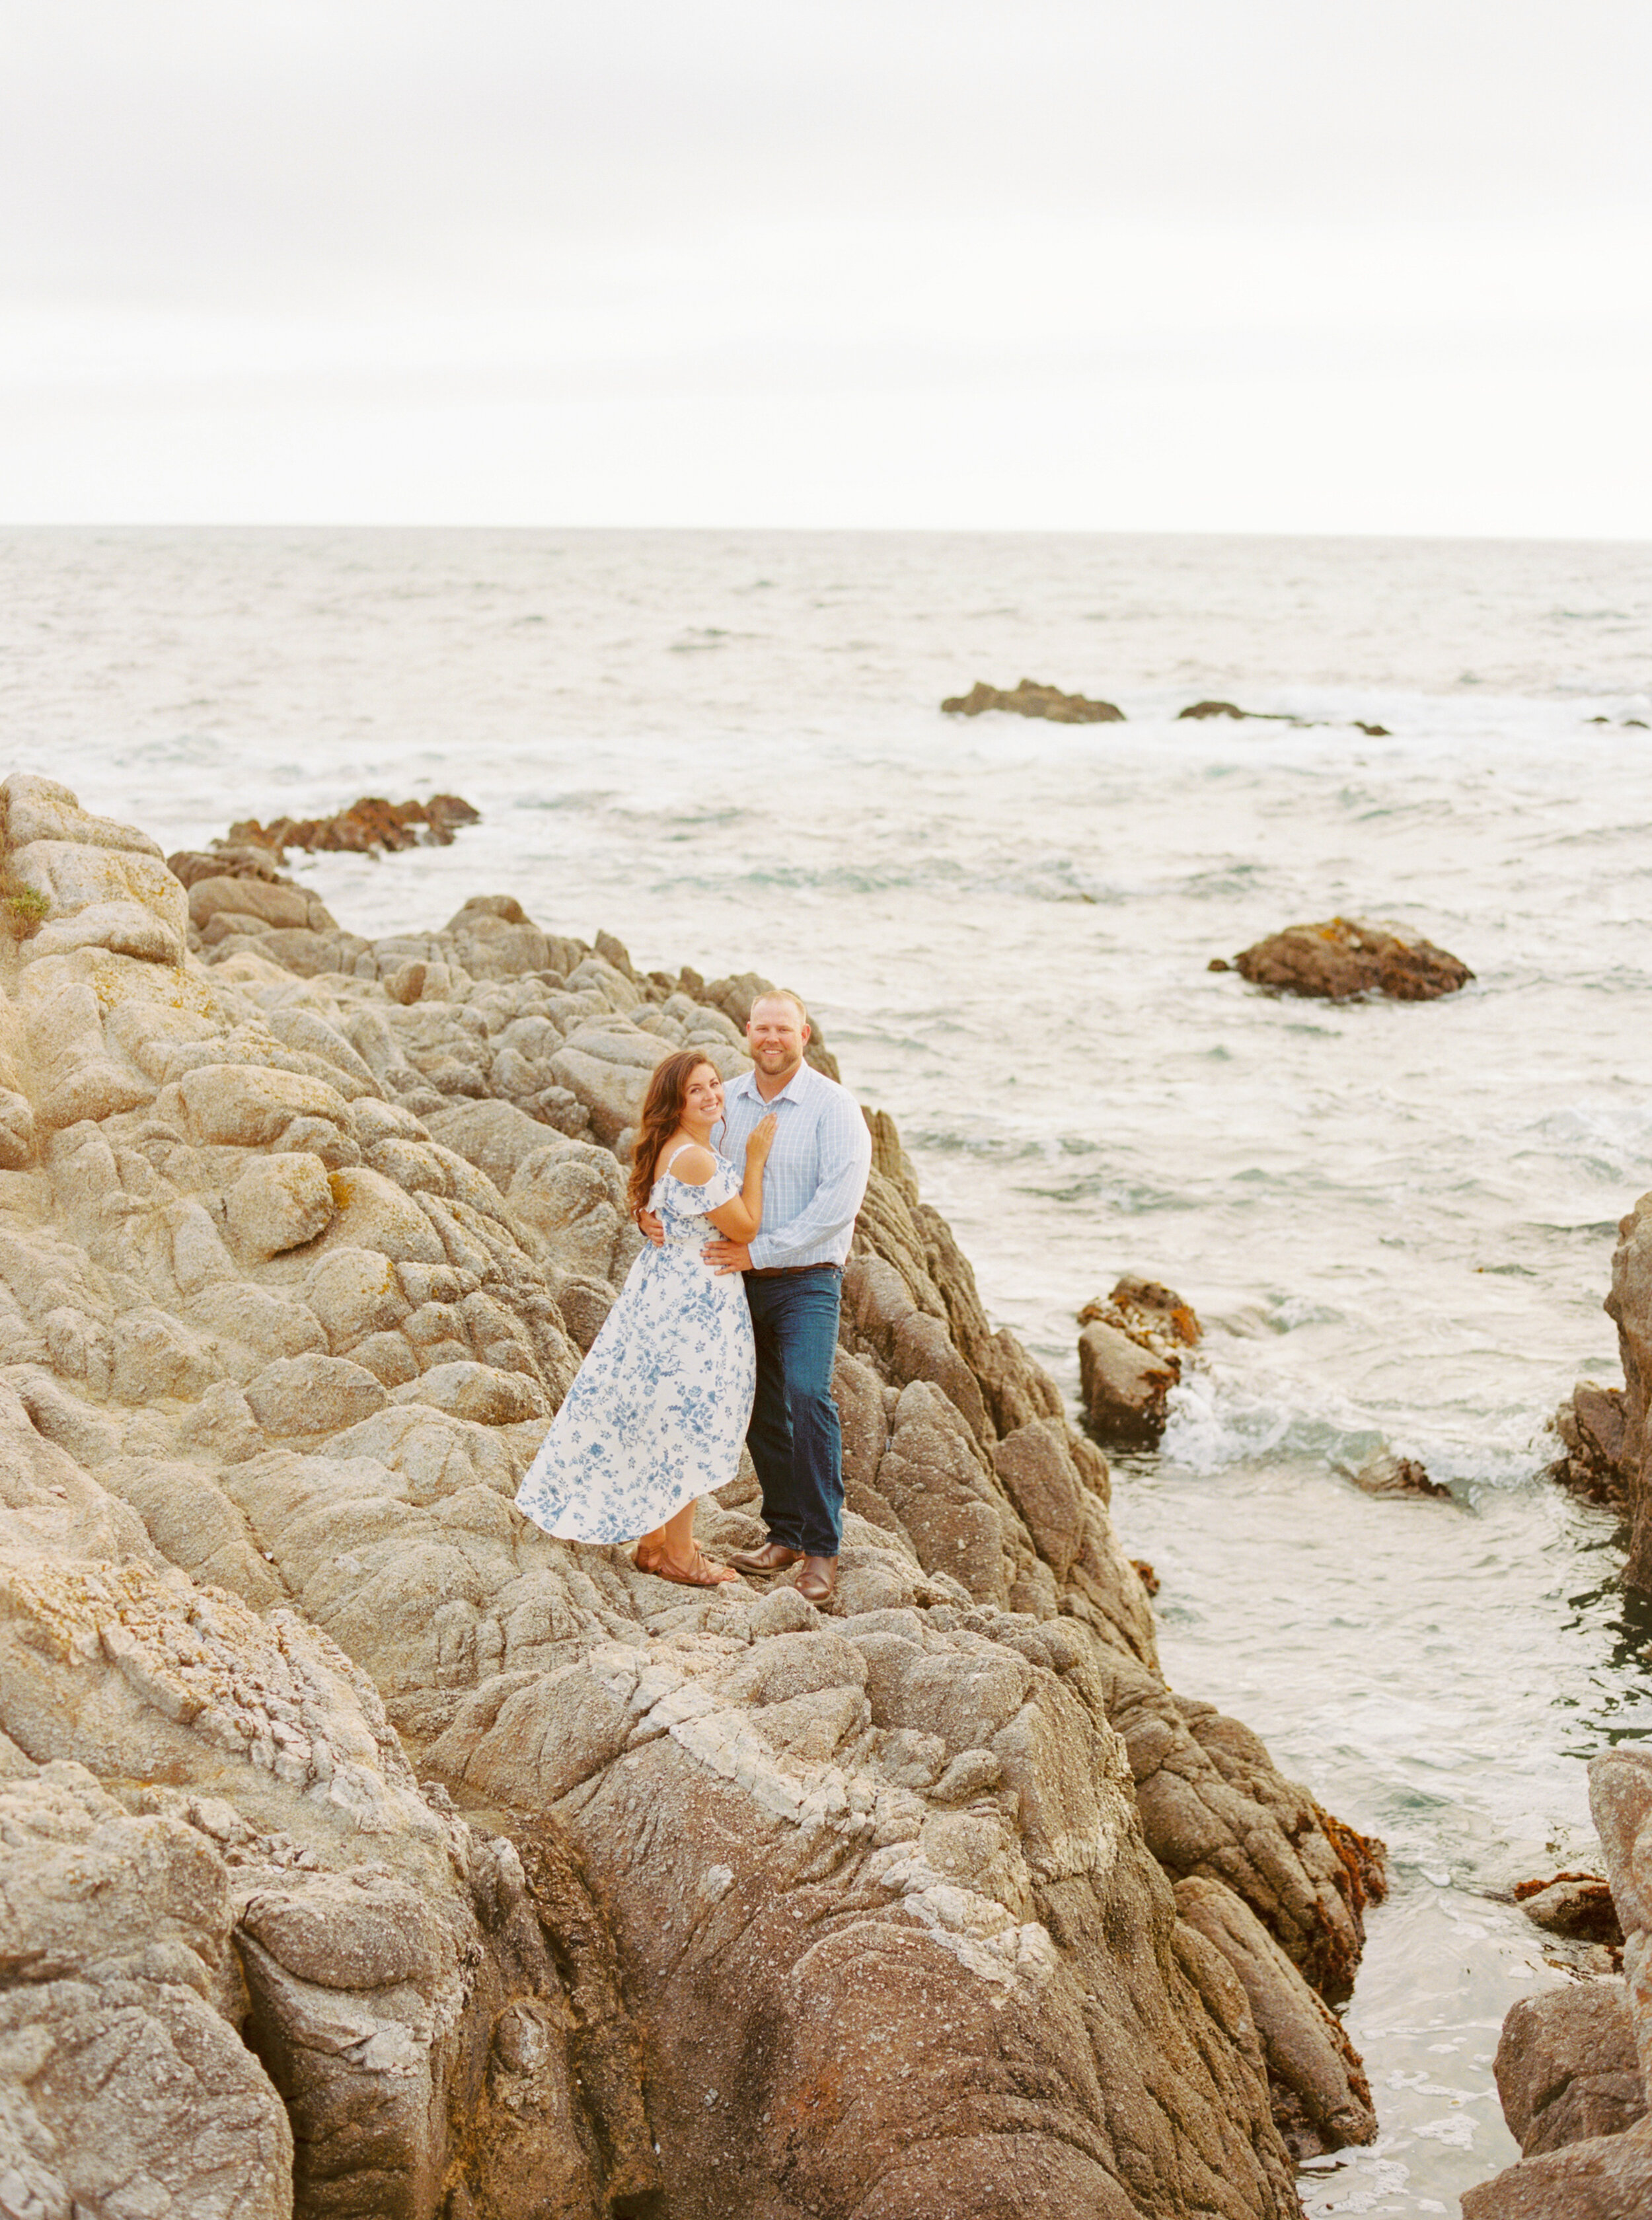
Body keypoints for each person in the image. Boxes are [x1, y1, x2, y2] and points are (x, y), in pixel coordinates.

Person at [514, 1049, 775, 1588]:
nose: (711, 1097)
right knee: (689, 1422)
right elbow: (745, 1227)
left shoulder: (676, 1149)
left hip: (669, 1293)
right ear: (675, 1105)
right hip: (692, 1304)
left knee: (669, 1415)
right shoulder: (695, 1158)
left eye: (713, 1086)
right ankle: (680, 1555)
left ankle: (656, 1544)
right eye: (695, 1092)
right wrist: (756, 1158)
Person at [644, 989, 872, 1605]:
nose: (772, 1039)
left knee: (806, 1394)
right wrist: (652, 1212)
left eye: (784, 1029)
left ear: (805, 1034)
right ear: (749, 1031)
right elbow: (690, 1169)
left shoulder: (835, 1108)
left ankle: (822, 1549)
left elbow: (837, 1208)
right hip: (733, 1281)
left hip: (807, 1280)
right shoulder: (729, 1101)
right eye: (762, 1028)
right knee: (757, 1406)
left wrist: (760, 1251)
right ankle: (786, 1532)